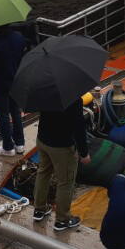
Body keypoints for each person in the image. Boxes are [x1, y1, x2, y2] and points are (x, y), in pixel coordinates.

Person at [32, 97, 90, 231]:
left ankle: (39, 209)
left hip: (42, 139)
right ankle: (63, 220)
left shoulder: (45, 90)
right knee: (65, 181)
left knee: (43, 172)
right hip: (62, 147)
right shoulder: (74, 99)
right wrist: (84, 152)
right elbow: (78, 126)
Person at [0, 25, 27, 157]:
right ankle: (20, 144)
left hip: (0, 83)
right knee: (16, 111)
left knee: (3, 115)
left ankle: (8, 147)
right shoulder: (19, 36)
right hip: (16, 79)